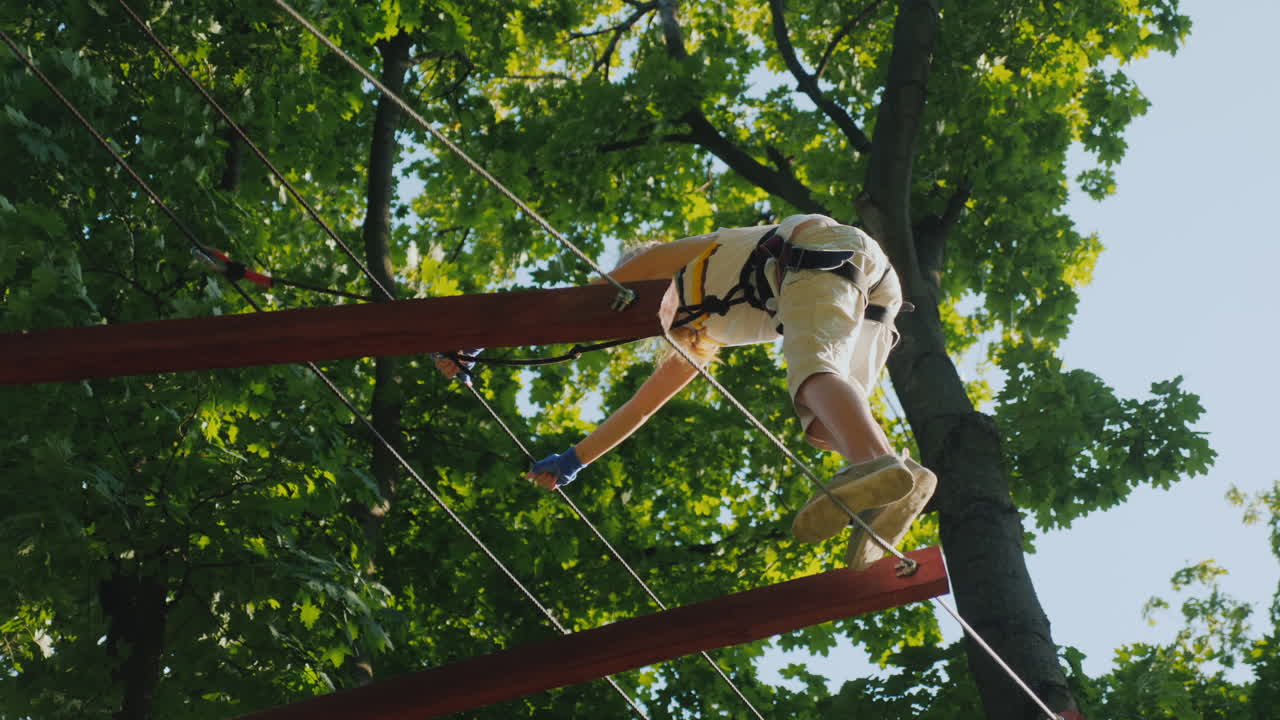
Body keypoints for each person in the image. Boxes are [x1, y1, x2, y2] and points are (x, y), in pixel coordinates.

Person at [436, 214, 936, 568]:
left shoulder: (657, 265)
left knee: (813, 373)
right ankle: (896, 478)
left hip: (816, 254)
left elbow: (572, 305)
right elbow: (641, 408)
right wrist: (575, 459)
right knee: (826, 423)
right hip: (873, 288)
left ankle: (877, 463)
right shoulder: (698, 335)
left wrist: (478, 343)